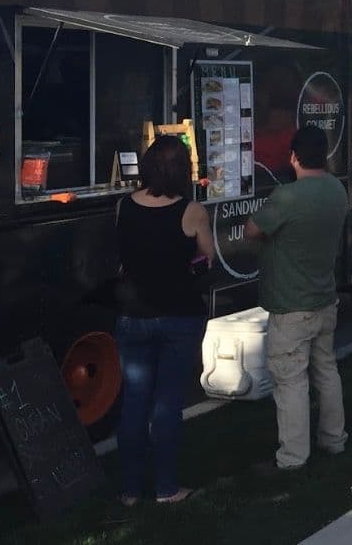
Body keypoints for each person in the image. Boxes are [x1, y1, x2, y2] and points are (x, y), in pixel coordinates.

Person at [114, 135, 215, 506]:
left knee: (134, 401)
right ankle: (166, 487)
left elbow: (123, 255)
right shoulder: (192, 211)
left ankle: (129, 490)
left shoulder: (124, 206)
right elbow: (208, 258)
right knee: (168, 403)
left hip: (133, 313)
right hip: (178, 314)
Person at [246, 127, 350, 471]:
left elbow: (252, 230)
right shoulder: (337, 189)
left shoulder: (287, 196)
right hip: (324, 297)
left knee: (290, 380)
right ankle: (334, 439)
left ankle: (293, 457)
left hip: (292, 305)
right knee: (326, 370)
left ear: (293, 157)